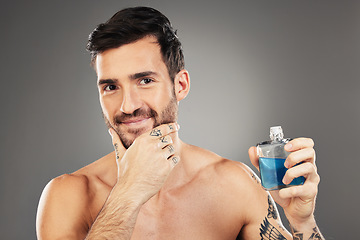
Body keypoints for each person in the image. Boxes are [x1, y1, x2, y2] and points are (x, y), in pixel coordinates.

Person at [36, 6, 324, 240]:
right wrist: (128, 193)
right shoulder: (68, 196)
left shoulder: (233, 185)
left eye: (145, 81)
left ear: (181, 85)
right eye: (110, 87)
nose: (128, 106)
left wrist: (302, 220)